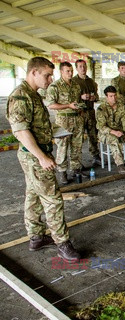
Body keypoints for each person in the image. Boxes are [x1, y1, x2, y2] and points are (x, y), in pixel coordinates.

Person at [6, 57, 81, 261]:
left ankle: (36, 237)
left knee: (33, 195)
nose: (50, 79)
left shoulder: (33, 95)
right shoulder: (21, 97)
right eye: (47, 75)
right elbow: (21, 132)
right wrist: (42, 157)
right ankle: (62, 243)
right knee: (53, 199)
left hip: (36, 154)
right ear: (34, 73)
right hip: (35, 156)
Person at [45, 61, 84, 185]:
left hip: (77, 119)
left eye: (71, 71)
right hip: (63, 120)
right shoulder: (55, 86)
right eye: (68, 71)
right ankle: (62, 172)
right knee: (62, 146)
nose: (70, 73)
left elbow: (76, 102)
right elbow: (51, 105)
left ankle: (76, 168)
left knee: (77, 145)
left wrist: (79, 108)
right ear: (61, 72)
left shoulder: (76, 86)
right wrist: (68, 105)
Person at [72, 59, 100, 166]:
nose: (83, 68)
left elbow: (97, 95)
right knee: (78, 138)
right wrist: (81, 97)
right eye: (80, 66)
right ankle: (78, 162)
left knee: (93, 134)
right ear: (76, 68)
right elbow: (70, 98)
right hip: (80, 113)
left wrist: (94, 97)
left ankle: (95, 156)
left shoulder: (91, 81)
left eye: (84, 66)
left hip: (90, 111)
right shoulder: (74, 82)